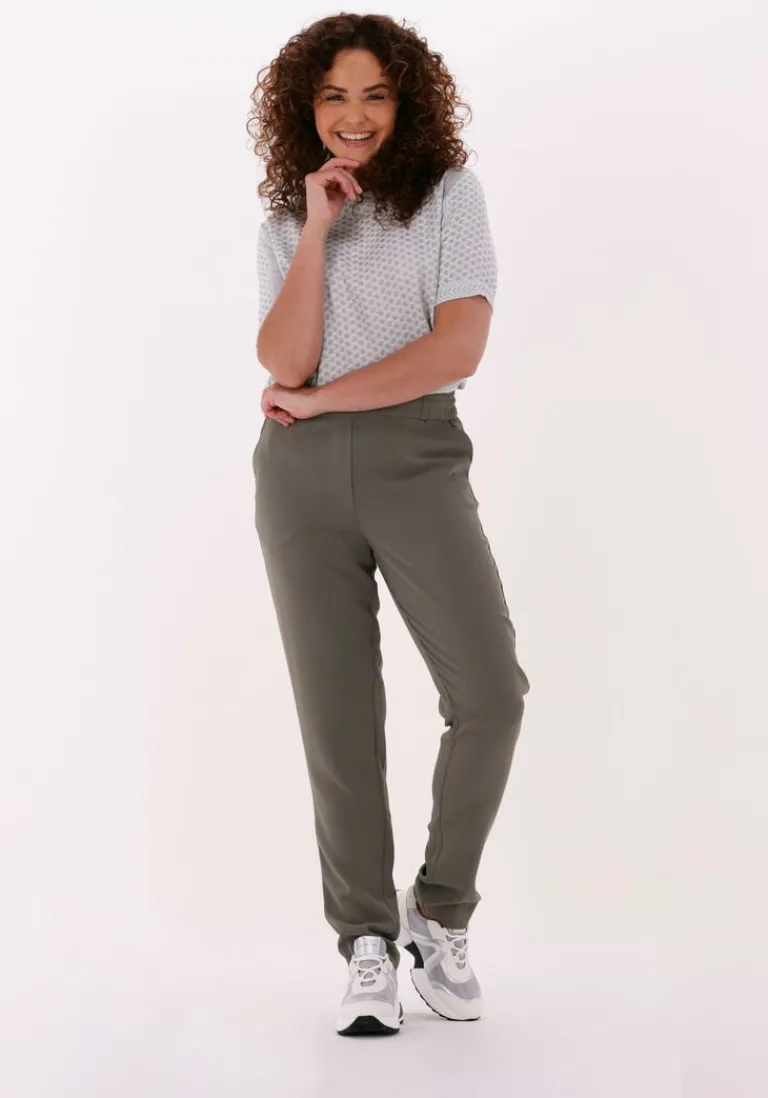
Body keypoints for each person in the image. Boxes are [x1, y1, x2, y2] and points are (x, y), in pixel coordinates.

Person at [247, 12, 530, 1037]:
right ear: (305, 108)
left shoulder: (451, 197)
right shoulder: (290, 216)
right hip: (299, 477)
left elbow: (458, 349)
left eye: (375, 94)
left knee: (489, 695)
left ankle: (438, 912)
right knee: (338, 720)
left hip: (416, 456)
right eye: (334, 96)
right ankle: (365, 942)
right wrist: (319, 230)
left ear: (408, 102)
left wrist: (326, 400)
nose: (354, 116)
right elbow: (284, 361)